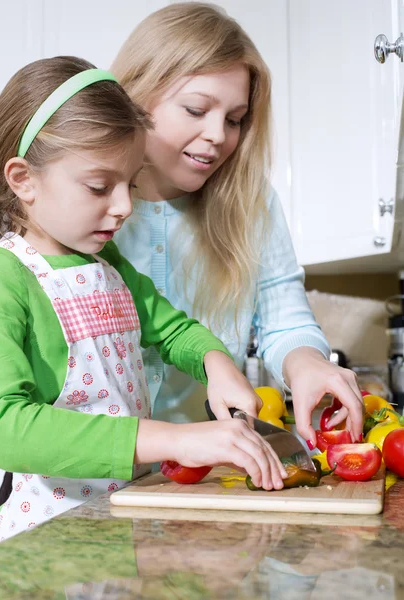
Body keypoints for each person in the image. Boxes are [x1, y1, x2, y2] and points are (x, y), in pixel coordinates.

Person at [0, 56, 288, 547]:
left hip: (119, 523)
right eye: (99, 185)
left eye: (130, 183)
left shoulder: (106, 263)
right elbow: (1, 427)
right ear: (23, 179)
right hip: (48, 540)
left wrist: (218, 365)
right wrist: (176, 439)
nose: (124, 206)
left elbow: (173, 330)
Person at [111, 2, 364, 445]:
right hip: (81, 480)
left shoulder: (251, 202)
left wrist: (306, 362)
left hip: (203, 476)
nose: (218, 135)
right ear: (135, 96)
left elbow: (285, 321)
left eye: (234, 120)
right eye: (195, 109)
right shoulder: (81, 206)